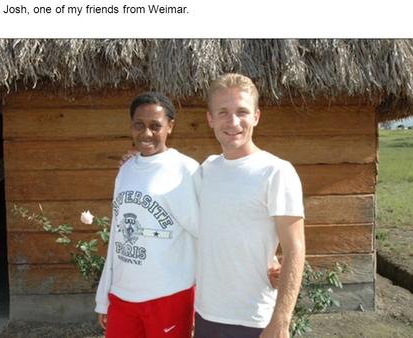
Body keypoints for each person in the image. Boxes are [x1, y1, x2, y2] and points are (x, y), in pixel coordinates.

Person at [194, 73, 305, 338]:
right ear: (210, 119)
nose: (233, 122)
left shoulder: (276, 171)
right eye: (223, 112)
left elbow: (295, 248)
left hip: (254, 319)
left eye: (242, 112)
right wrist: (139, 159)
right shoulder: (205, 170)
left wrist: (281, 321)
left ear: (256, 116)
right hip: (205, 314)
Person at [95, 92, 200, 338]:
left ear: (170, 126)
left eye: (156, 126)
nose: (146, 133)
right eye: (138, 125)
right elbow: (116, 238)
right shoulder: (126, 170)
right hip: (122, 295)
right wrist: (104, 297)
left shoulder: (186, 170)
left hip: (169, 295)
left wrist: (201, 303)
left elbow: (202, 236)